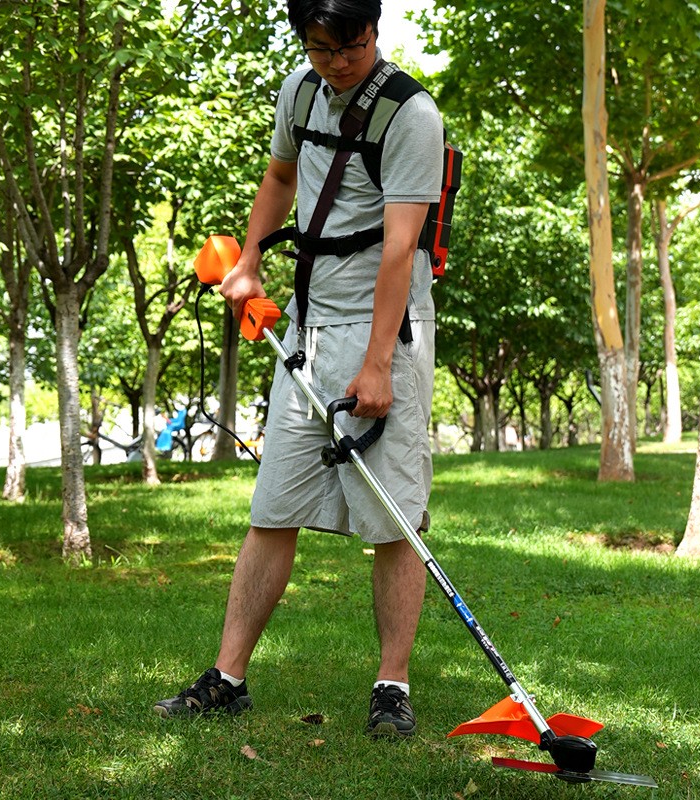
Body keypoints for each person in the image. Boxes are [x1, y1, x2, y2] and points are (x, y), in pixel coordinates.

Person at [154, 0, 444, 738]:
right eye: (322, 48)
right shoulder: (299, 90)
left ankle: (392, 686)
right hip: (308, 333)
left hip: (388, 335)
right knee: (271, 510)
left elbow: (400, 247)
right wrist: (251, 259)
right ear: (305, 41)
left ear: (375, 34)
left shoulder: (411, 115)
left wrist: (378, 366)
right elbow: (280, 178)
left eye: (354, 46)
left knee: (394, 519)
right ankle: (228, 677)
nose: (339, 63)